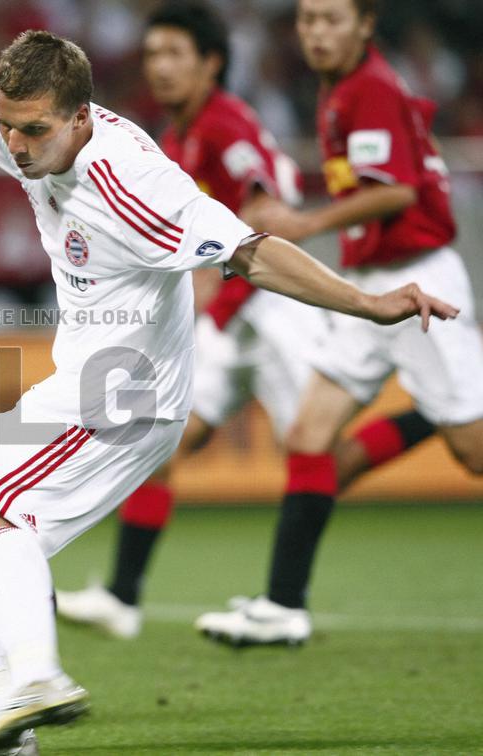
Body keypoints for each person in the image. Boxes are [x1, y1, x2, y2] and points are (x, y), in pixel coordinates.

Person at [0, 29, 456, 753]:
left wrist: (369, 304)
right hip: (79, 385)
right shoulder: (13, 126)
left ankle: (36, 678)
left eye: (34, 130)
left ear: (81, 116)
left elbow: (254, 254)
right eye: (10, 125)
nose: (15, 146)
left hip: (125, 398)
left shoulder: (133, 179)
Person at [56, 0, 435, 641]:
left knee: (321, 458)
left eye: (177, 54)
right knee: (159, 445)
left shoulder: (225, 126)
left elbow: (262, 216)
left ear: (213, 64)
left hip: (272, 312)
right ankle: (123, 596)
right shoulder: (175, 136)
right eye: (153, 55)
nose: (161, 68)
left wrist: (214, 303)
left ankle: (441, 411)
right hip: (230, 321)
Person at [195, 0, 483, 646]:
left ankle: (451, 410)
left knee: (473, 452)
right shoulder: (339, 92)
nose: (317, 33)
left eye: (332, 19)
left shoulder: (369, 89)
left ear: (366, 24)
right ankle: (282, 605)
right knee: (309, 438)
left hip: (417, 283)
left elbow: (398, 191)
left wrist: (305, 222)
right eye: (307, 21)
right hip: (373, 286)